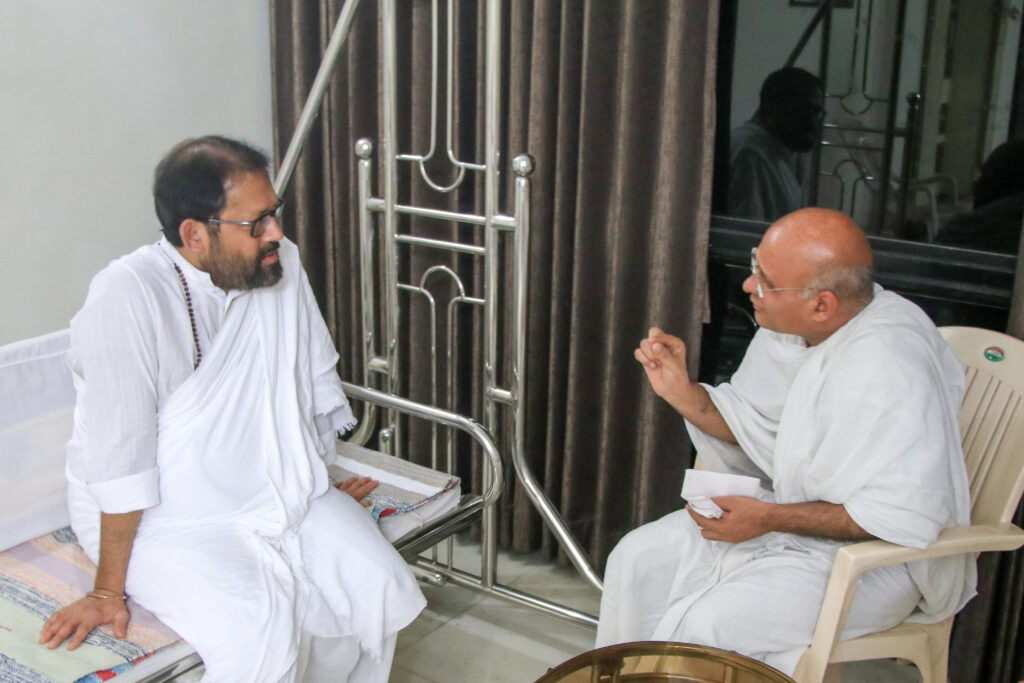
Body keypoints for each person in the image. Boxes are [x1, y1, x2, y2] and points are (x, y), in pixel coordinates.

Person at [38, 136, 425, 682]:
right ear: (195, 234)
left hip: (268, 488)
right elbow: (121, 461)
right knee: (258, 630)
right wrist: (107, 590)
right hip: (163, 517)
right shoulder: (127, 298)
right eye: (257, 223)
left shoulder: (277, 265)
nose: (278, 234)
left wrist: (303, 472)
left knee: (374, 579)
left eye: (275, 214)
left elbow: (299, 384)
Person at [596, 208, 975, 674]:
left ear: (822, 304)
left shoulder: (888, 368)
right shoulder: (798, 329)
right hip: (793, 518)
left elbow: (895, 517)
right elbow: (755, 427)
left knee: (705, 627)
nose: (748, 286)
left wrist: (769, 518)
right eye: (756, 265)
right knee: (636, 560)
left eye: (766, 281)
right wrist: (682, 392)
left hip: (883, 562)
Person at [727, 68, 824, 222]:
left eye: (817, 112)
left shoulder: (795, 149)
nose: (812, 122)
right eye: (803, 111)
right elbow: (744, 234)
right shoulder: (749, 152)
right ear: (773, 108)